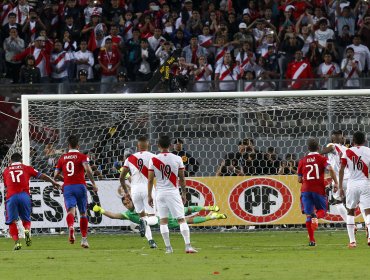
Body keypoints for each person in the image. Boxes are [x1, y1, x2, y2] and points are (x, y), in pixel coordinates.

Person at [92, 196, 226, 245]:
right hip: (164, 220)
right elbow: (114, 215)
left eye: (128, 202)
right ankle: (212, 216)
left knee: (187, 211)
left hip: (163, 216)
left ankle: (209, 208)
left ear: (133, 200)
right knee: (188, 219)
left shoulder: (142, 205)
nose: (127, 204)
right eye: (125, 204)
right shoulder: (128, 214)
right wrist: (102, 210)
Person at [147, 135, 197, 254]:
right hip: (173, 192)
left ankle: (168, 248)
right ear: (170, 145)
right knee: (181, 219)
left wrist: (149, 195)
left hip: (160, 193)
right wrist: (184, 193)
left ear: (158, 146)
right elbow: (182, 178)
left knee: (163, 221)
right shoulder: (177, 158)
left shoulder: (153, 160)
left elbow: (149, 180)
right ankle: (188, 246)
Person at [3, 152, 60, 250]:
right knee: (26, 219)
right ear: (21, 160)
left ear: (10, 161)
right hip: (24, 196)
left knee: (11, 221)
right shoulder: (27, 168)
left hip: (11, 197)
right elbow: (42, 175)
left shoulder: (6, 171)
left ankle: (17, 243)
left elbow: (6, 186)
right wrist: (52, 182)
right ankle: (27, 231)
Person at [54, 135, 98, 248]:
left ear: (68, 146)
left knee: (70, 211)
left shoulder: (62, 158)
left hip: (68, 187)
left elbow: (55, 175)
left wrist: (66, 180)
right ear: (78, 145)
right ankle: (84, 240)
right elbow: (88, 170)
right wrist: (93, 184)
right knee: (83, 213)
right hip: (80, 186)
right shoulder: (82, 156)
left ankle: (71, 227)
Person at [298, 138, 338, 247]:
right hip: (318, 189)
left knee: (308, 215)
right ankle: (316, 216)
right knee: (322, 211)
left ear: (307, 148)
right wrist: (336, 183)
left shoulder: (302, 160)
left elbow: (299, 180)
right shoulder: (321, 158)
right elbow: (330, 169)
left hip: (306, 190)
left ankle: (312, 240)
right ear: (319, 148)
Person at [119, 135, 157, 248]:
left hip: (135, 191)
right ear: (148, 144)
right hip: (148, 189)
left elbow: (121, 177)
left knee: (142, 217)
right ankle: (145, 224)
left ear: (137, 146)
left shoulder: (129, 158)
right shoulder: (154, 157)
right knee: (153, 218)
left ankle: (151, 241)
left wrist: (126, 191)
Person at [339, 131, 370, 248]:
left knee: (350, 211)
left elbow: (342, 169)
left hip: (352, 184)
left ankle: (352, 241)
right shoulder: (368, 151)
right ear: (365, 140)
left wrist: (341, 187)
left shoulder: (347, 151)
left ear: (353, 141)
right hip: (365, 183)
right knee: (368, 211)